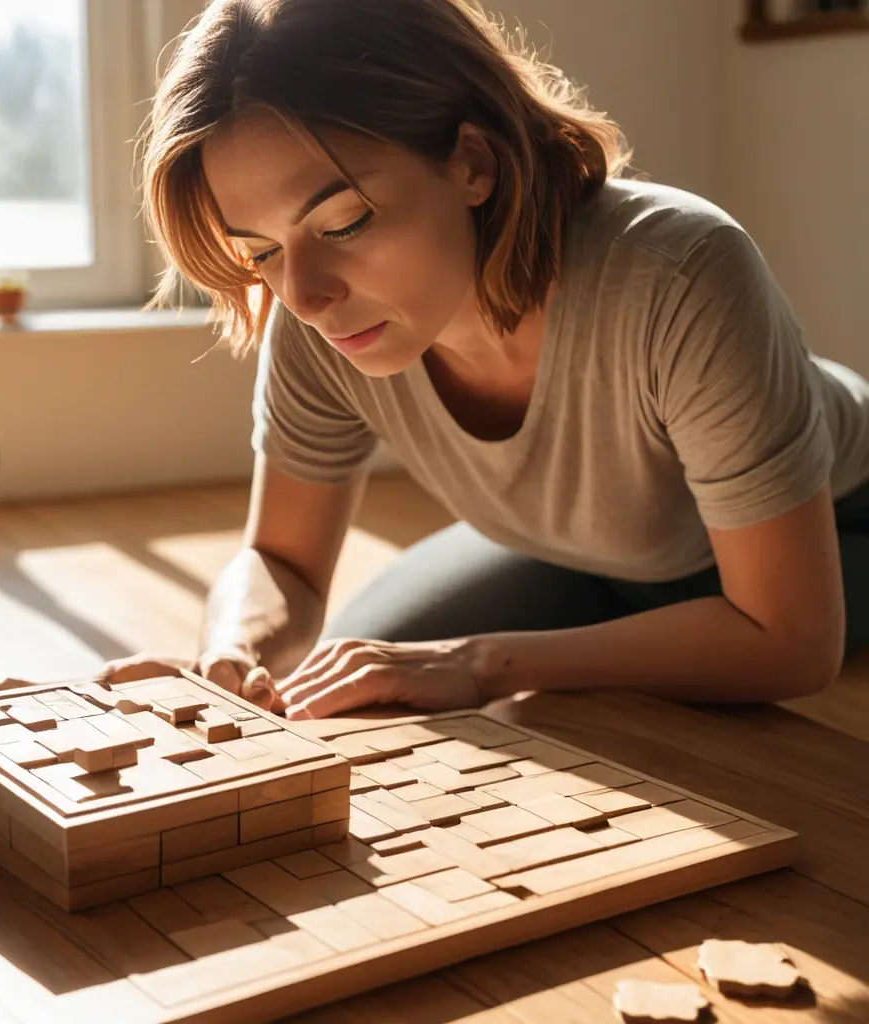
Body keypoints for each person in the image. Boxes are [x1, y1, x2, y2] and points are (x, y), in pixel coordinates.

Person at [101, 0, 869, 720]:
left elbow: (791, 640)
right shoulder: (315, 321)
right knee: (346, 686)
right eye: (261, 250)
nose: (300, 293)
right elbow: (283, 564)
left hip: (831, 531)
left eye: (342, 223)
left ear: (472, 161)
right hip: (579, 554)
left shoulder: (680, 272)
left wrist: (484, 663)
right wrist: (231, 652)